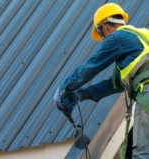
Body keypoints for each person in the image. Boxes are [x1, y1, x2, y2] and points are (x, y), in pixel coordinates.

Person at [54, 3, 149, 159]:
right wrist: (79, 95)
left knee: (141, 153)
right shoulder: (140, 39)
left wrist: (65, 89)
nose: (103, 38)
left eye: (101, 33)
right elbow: (114, 84)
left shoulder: (117, 37)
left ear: (103, 26)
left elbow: (89, 68)